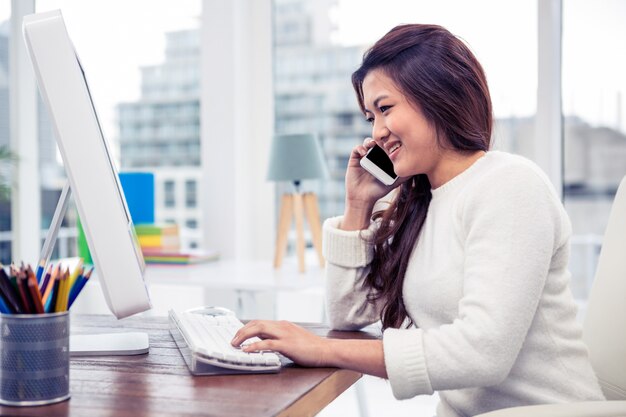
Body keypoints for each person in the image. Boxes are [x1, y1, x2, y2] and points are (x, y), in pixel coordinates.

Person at [232, 24, 604, 416]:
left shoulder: (509, 185)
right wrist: (357, 206)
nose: (377, 132)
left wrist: (323, 350)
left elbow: (483, 352)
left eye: (385, 108)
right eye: (369, 117)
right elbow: (349, 314)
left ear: (437, 94)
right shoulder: (420, 203)